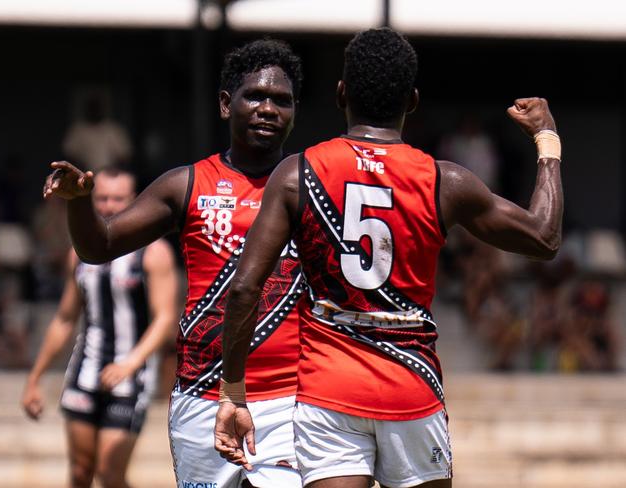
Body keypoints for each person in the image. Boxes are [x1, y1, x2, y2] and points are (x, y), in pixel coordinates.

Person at [214, 28, 563, 488]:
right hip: (410, 388)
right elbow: (544, 236)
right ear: (413, 101)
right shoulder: (445, 181)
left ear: (341, 94)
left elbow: (243, 289)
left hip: (328, 390)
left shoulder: (297, 173)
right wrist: (546, 138)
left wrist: (233, 392)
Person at [39, 39, 304, 488]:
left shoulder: (312, 184)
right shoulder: (186, 183)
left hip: (290, 399)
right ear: (225, 104)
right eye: (254, 96)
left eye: (281, 100)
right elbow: (98, 246)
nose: (267, 109)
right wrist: (81, 204)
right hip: (201, 393)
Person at [22, 167, 178, 488]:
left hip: (130, 377)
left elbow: (165, 318)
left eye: (118, 198)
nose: (109, 205)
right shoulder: (79, 255)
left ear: (134, 200)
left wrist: (131, 362)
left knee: (109, 473)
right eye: (102, 198)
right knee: (80, 472)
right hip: (85, 370)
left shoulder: (154, 252)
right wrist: (35, 377)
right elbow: (65, 318)